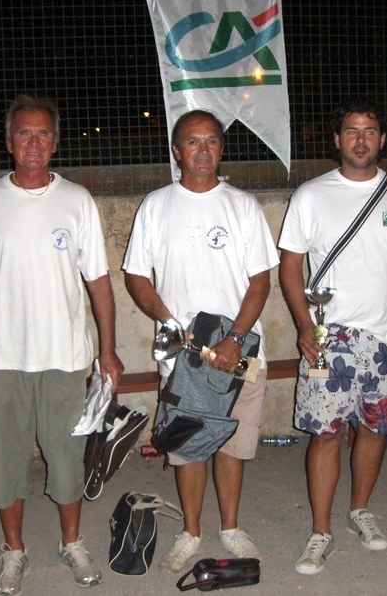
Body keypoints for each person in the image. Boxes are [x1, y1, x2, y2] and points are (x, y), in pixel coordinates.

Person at [0, 94, 124, 594]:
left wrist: (107, 350)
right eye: (25, 133)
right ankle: (14, 551)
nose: (34, 142)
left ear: (56, 141)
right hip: (2, 358)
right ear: (9, 141)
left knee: (67, 458)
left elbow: (99, 284)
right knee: (5, 459)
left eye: (44, 133)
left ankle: (71, 542)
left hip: (65, 356)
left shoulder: (77, 200)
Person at [278, 99, 387, 575]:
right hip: (328, 340)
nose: (360, 139)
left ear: (383, 140)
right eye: (351, 131)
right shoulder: (310, 195)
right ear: (336, 139)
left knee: (374, 429)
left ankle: (360, 510)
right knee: (325, 436)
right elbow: (289, 267)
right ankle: (320, 530)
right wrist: (306, 326)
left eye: (369, 131)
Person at [123, 110, 278, 574]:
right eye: (193, 142)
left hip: (241, 353)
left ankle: (230, 526)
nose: (203, 150)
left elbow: (260, 281)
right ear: (176, 150)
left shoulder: (243, 206)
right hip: (181, 356)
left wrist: (234, 339)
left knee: (233, 441)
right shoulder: (155, 205)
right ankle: (191, 530)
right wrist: (169, 321)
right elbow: (136, 275)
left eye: (212, 141)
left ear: (222, 148)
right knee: (187, 443)